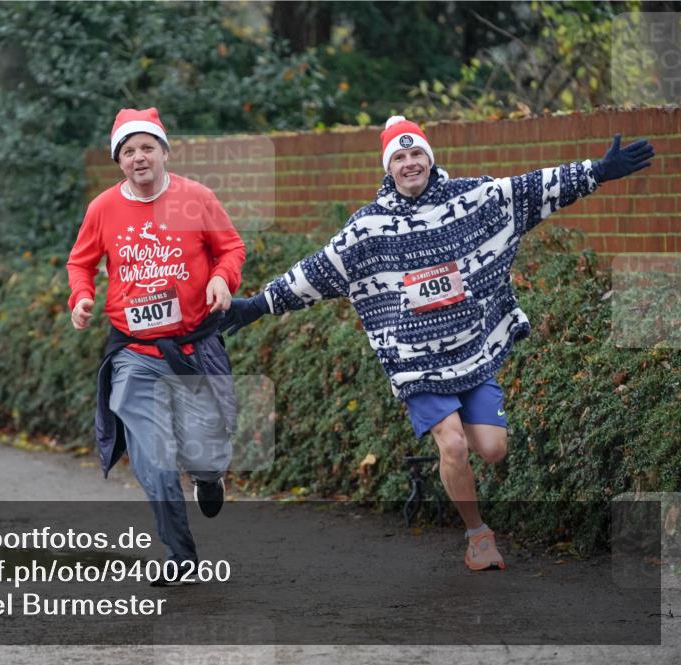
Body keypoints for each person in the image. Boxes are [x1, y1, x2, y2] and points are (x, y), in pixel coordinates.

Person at [222, 116, 654, 570]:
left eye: (416, 154)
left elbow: (532, 188)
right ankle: (478, 536)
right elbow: (317, 270)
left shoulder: (471, 199)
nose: (410, 163)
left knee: (492, 448)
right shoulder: (369, 229)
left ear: (429, 158)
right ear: (388, 168)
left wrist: (598, 172)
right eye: (400, 157)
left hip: (470, 352)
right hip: (414, 361)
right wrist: (257, 304)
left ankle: (460, 460)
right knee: (453, 445)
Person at [66, 108, 246, 585]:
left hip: (192, 348)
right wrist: (81, 297)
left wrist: (222, 280)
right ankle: (182, 557)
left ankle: (209, 477)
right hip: (134, 354)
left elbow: (231, 248)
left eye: (147, 147)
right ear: (119, 161)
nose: (138, 157)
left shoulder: (196, 197)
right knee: (154, 461)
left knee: (205, 454)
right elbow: (80, 263)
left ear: (164, 152)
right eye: (128, 151)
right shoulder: (103, 208)